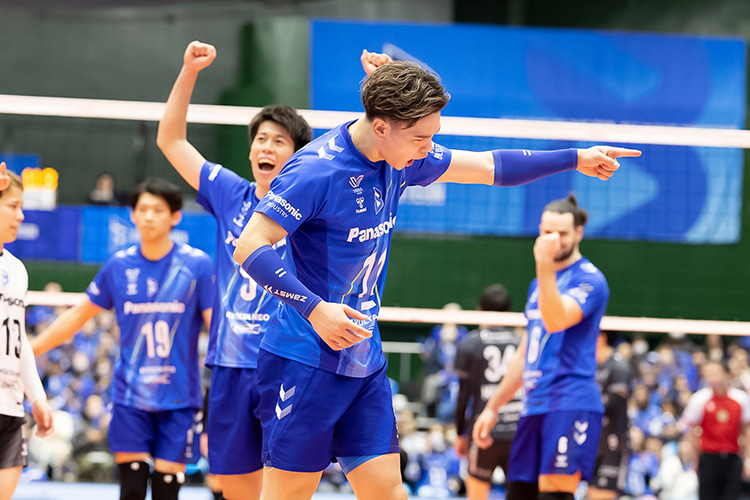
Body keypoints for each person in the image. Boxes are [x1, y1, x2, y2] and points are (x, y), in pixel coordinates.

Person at [232, 59, 639, 500]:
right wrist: (315, 310)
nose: (429, 147)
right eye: (421, 137)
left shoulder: (402, 158)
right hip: (304, 356)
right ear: (382, 127)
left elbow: (490, 166)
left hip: (363, 358)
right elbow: (249, 247)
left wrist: (576, 158)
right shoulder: (315, 170)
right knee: (288, 494)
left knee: (389, 492)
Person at [156, 41, 389, 500]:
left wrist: (376, 85)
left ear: (298, 154)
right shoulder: (230, 194)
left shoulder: (316, 195)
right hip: (232, 363)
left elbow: (363, 147)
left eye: (279, 141)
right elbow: (172, 141)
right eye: (260, 139)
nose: (266, 147)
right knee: (233, 487)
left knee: (285, 486)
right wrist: (189, 71)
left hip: (290, 358)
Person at [31, 177, 214, 500]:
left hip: (179, 400)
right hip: (130, 397)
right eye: (142, 209)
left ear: (175, 216)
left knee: (167, 491)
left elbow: (217, 329)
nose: (148, 216)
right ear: (132, 214)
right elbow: (77, 316)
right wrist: (28, 350)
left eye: (158, 210)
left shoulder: (197, 265)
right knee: (130, 489)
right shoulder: (118, 265)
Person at [473, 194, 611, 500]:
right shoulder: (539, 284)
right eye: (547, 232)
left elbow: (557, 319)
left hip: (570, 400)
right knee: (519, 493)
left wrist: (543, 263)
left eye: (562, 233)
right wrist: (493, 407)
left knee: (554, 494)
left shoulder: (590, 280)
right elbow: (526, 354)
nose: (553, 240)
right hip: (534, 403)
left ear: (579, 233)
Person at [0, 162, 54, 500]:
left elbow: (19, 339)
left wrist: (38, 398)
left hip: (10, 406)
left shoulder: (17, 270)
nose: (20, 215)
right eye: (13, 206)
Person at [453, 283, 521, 500]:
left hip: (483, 431)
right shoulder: (521, 343)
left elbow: (463, 395)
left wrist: (459, 434)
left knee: (477, 494)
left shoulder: (470, 343)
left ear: (479, 309)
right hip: (518, 430)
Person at [680, 360, 750, 500]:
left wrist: (748, 460)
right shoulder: (699, 399)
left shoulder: (741, 399)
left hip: (733, 457)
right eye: (708, 373)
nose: (711, 377)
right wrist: (695, 460)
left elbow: (746, 431)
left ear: (726, 374)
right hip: (708, 458)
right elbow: (691, 432)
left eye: (714, 373)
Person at [590, 331, 633, 500]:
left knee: (605, 491)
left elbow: (617, 398)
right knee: (590, 488)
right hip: (592, 436)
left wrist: (586, 403)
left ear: (602, 337)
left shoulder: (619, 363)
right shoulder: (588, 363)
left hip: (613, 438)